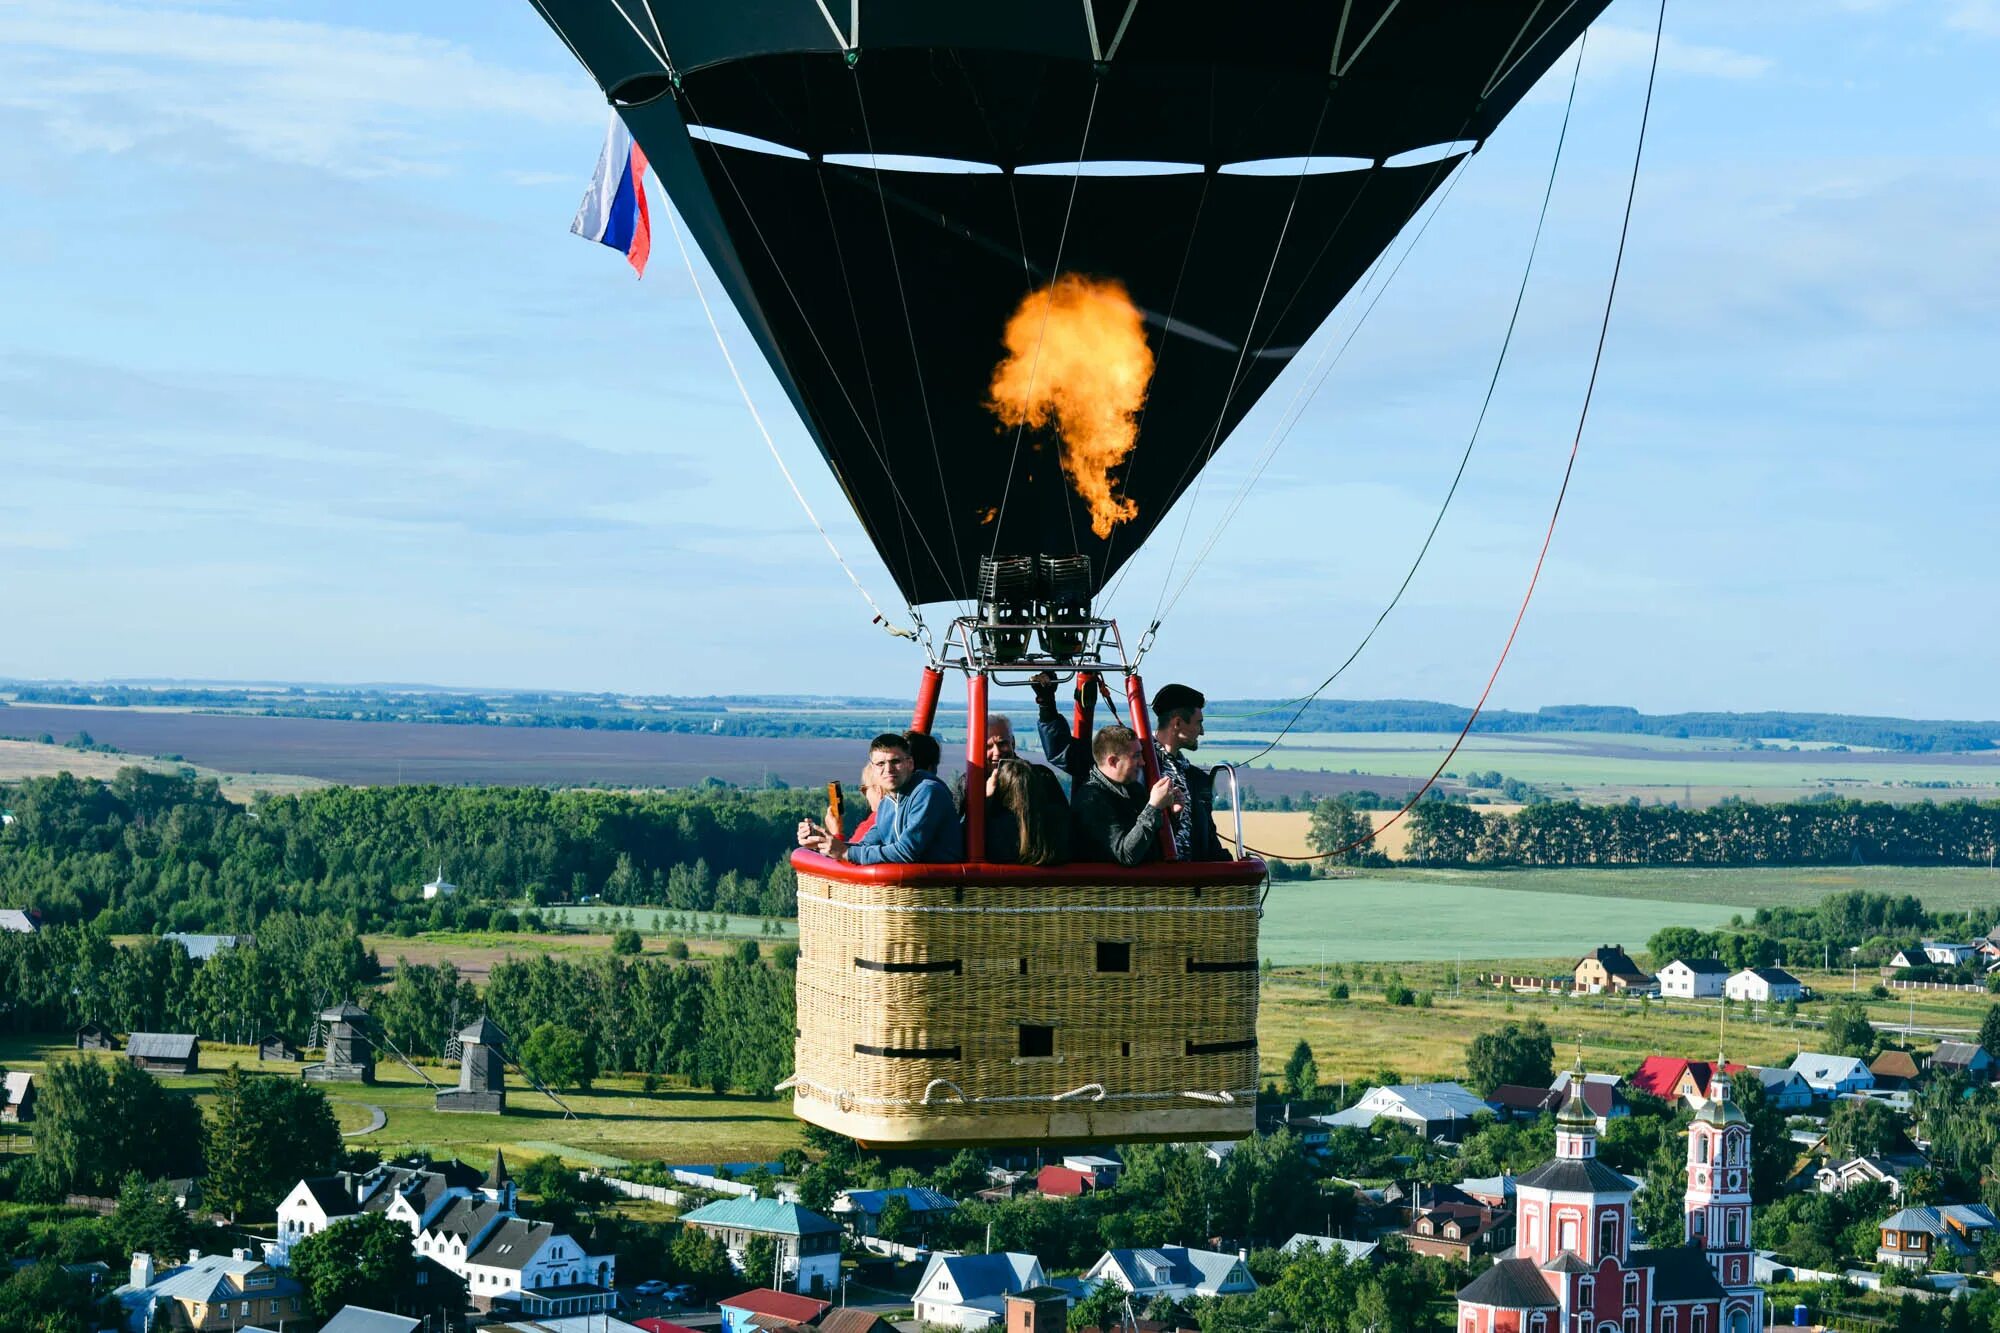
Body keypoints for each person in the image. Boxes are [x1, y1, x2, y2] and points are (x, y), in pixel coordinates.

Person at [798, 733, 962, 864]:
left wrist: (845, 852)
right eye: (880, 764)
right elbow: (864, 846)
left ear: (910, 764)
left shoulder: (927, 792)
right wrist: (822, 843)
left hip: (938, 894)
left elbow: (907, 852)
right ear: (874, 769)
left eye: (895, 761)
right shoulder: (887, 804)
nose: (888, 769)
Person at [1071, 725, 1176, 865]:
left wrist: (1171, 813)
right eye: (1136, 756)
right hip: (1110, 886)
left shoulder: (1135, 790)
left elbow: (1152, 844)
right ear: (1113, 761)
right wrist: (1154, 807)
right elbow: (1126, 855)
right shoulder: (1091, 800)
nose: (1143, 762)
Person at [1149, 683, 1227, 862]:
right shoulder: (1142, 767)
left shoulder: (1196, 778)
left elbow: (1208, 836)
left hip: (1191, 880)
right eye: (1198, 723)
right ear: (1177, 723)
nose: (1202, 732)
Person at [976, 756, 1071, 866]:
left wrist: (986, 799)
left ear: (1002, 791)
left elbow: (965, 838)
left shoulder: (994, 828)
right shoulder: (1058, 822)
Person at [848, 762, 887, 841]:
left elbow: (848, 852)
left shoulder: (872, 825)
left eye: (864, 790)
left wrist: (836, 833)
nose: (865, 796)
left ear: (878, 791)